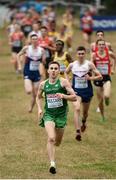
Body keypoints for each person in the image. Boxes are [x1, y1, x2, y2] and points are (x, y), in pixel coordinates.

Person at [36, 61, 77, 174]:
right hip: (49, 114)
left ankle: (55, 147)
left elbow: (74, 97)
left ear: (59, 71)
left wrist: (63, 96)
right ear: (48, 70)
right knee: (51, 138)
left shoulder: (63, 83)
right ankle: (52, 164)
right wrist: (39, 109)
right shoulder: (43, 84)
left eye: (55, 68)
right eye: (51, 68)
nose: (53, 70)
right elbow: (38, 97)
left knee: (57, 142)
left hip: (61, 115)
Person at [65, 46, 102, 140]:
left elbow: (100, 76)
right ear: (76, 54)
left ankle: (84, 122)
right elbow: (66, 72)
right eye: (79, 54)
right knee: (77, 108)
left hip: (87, 91)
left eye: (82, 53)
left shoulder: (89, 64)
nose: (81, 55)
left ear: (85, 54)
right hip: (76, 91)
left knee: (85, 112)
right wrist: (68, 81)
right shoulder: (72, 65)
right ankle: (78, 131)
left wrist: (90, 78)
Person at [17, 34, 45, 113]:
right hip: (28, 72)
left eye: (36, 39)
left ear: (38, 40)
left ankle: (30, 108)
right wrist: (19, 66)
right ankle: (31, 107)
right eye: (33, 39)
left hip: (36, 74)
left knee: (35, 93)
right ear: (31, 40)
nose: (35, 40)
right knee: (29, 91)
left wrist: (42, 72)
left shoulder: (41, 50)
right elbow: (18, 55)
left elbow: (43, 62)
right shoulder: (27, 48)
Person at [91, 39, 116, 121]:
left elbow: (115, 58)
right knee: (100, 100)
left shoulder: (109, 53)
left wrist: (113, 69)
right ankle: (102, 117)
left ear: (105, 45)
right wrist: (93, 72)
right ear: (97, 46)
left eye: (103, 44)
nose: (101, 46)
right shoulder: (94, 55)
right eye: (100, 44)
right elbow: (91, 65)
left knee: (106, 96)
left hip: (106, 77)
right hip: (98, 78)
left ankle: (107, 99)